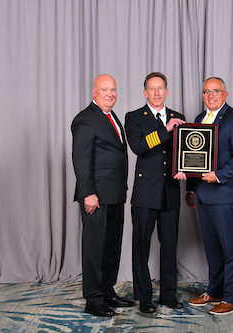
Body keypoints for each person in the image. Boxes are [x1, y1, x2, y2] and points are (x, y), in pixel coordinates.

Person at [175, 77, 233, 315]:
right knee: (212, 249)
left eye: (215, 91)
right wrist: (191, 189)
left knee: (230, 249)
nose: (210, 95)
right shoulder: (199, 119)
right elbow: (193, 156)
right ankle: (216, 291)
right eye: (206, 92)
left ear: (225, 94)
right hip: (203, 195)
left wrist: (218, 175)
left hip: (226, 194)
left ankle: (231, 298)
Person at [71, 74, 135, 317]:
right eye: (105, 89)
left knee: (111, 247)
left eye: (114, 90)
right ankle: (94, 299)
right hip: (96, 196)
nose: (110, 94)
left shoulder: (111, 116)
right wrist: (88, 193)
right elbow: (81, 159)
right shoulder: (85, 120)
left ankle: (107, 291)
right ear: (94, 92)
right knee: (95, 248)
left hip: (115, 193)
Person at [124, 72, 185, 313]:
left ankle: (168, 295)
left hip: (170, 191)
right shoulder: (134, 117)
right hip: (145, 193)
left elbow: (184, 150)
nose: (157, 92)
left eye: (161, 88)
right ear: (145, 92)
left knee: (169, 246)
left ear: (166, 92)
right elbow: (138, 147)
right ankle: (144, 298)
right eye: (152, 88)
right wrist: (166, 130)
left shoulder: (179, 117)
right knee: (141, 247)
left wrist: (184, 170)